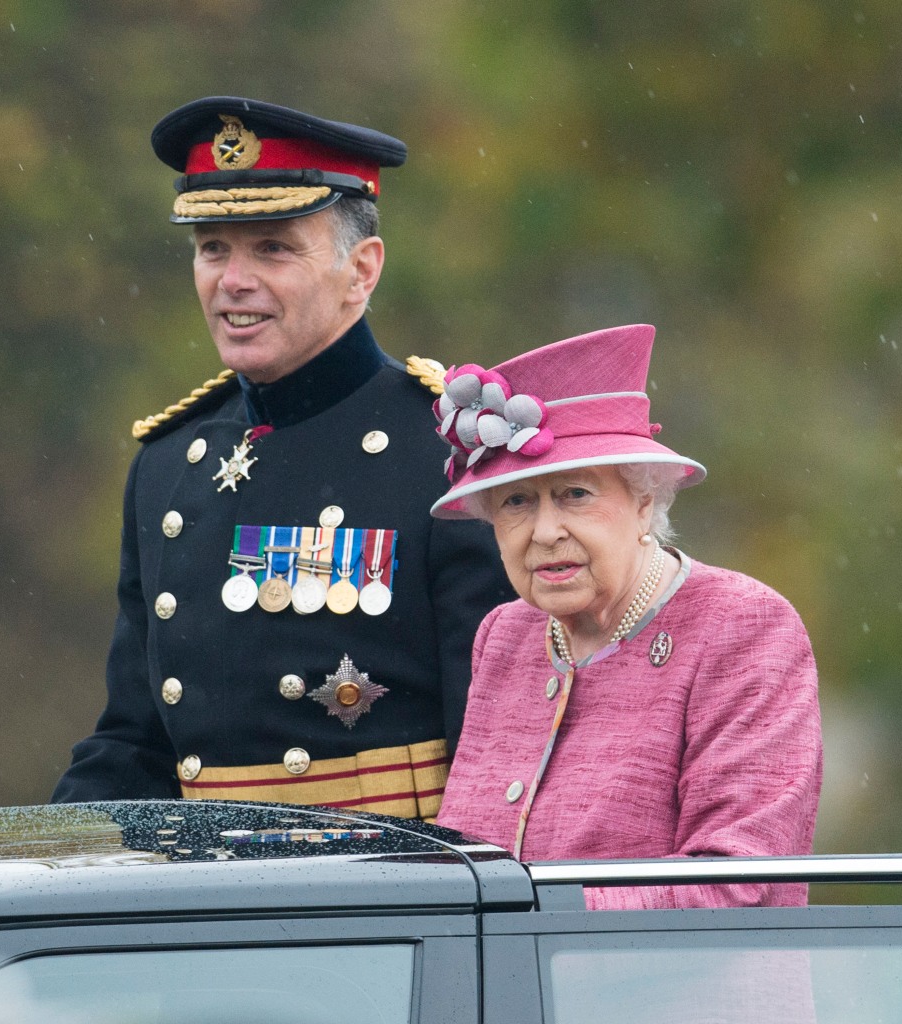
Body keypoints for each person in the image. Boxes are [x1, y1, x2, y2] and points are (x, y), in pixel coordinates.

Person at [51, 96, 511, 817]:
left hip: (398, 901)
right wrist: (34, 876)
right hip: (204, 902)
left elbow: (499, 746)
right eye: (213, 248)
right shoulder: (169, 465)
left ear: (361, 271)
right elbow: (133, 745)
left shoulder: (451, 450)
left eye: (273, 248)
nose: (233, 279)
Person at [431, 323, 822, 906]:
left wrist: (535, 924)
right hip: (516, 993)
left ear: (645, 500)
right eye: (517, 501)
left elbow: (738, 880)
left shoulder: (742, 624)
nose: (545, 532)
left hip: (677, 994)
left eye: (575, 494)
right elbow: (463, 857)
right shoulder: (506, 634)